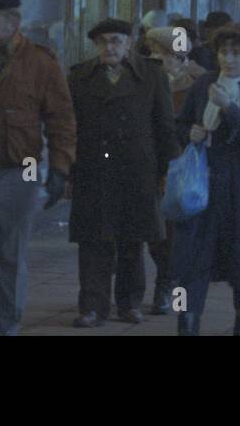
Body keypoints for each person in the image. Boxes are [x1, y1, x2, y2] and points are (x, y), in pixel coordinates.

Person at [0, 0, 76, 336]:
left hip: (19, 171)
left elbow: (61, 119)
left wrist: (59, 169)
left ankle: (4, 327)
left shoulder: (41, 62)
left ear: (13, 22)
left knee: (10, 259)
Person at [68, 18, 179, 327]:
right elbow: (69, 126)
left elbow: (165, 126)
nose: (110, 47)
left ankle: (129, 303)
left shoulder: (152, 75)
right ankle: (92, 306)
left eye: (116, 40)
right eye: (103, 42)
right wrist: (68, 169)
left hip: (137, 168)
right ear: (95, 45)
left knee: (133, 239)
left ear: (129, 43)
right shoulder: (79, 77)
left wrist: (168, 170)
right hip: (93, 167)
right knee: (93, 240)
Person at [171, 24, 240, 335]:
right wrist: (189, 133)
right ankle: (187, 322)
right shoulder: (204, 82)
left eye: (237, 53)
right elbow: (181, 123)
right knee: (192, 262)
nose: (229, 60)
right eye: (224, 53)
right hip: (203, 185)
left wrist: (228, 108)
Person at [143, 25, 208, 315]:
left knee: (176, 230)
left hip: (183, 165)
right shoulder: (145, 80)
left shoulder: (198, 82)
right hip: (152, 163)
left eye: (161, 53)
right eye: (152, 52)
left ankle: (170, 285)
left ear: (177, 56)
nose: (155, 58)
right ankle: (166, 280)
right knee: (155, 230)